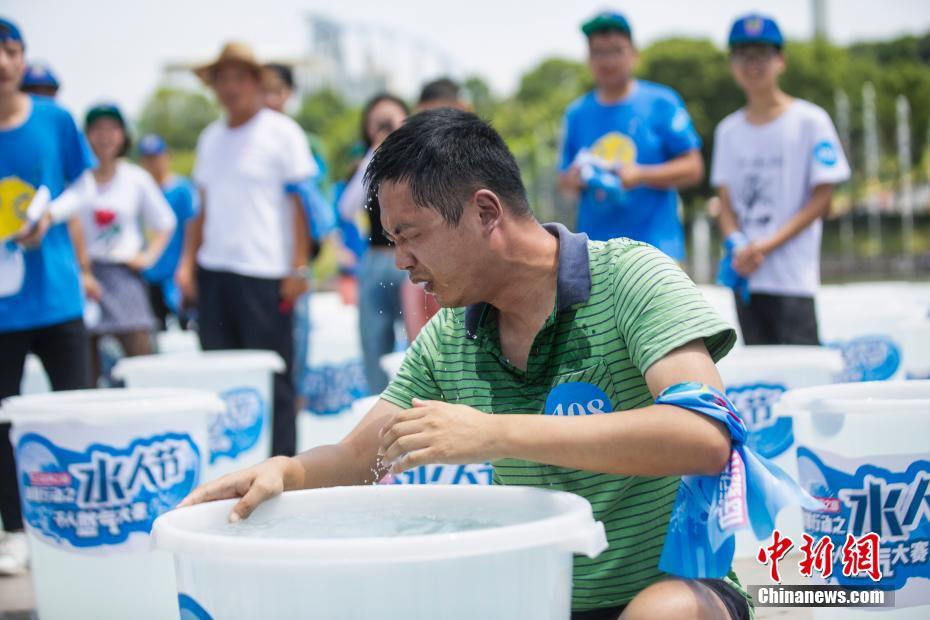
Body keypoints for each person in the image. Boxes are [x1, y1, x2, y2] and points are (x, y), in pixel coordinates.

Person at [181, 109, 754, 619]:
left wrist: (493, 433)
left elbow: (703, 435)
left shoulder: (631, 276)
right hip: (535, 597)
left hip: (676, 590)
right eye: (390, 240)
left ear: (484, 211)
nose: (401, 260)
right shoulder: (449, 336)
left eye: (410, 235)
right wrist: (287, 472)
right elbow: (361, 456)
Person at [177, 42, 317, 457]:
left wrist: (299, 268)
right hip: (215, 272)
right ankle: (230, 472)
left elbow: (299, 205)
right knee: (221, 377)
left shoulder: (282, 132)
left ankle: (284, 471)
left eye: (240, 77)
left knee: (275, 377)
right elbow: (200, 211)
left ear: (257, 83)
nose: (231, 87)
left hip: (265, 274)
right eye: (222, 79)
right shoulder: (209, 139)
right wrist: (186, 266)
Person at [0, 17, 96, 575]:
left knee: (75, 410)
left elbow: (83, 186)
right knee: (4, 420)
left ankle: (83, 513)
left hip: (57, 297)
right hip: (3, 309)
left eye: (12, 50)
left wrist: (48, 216)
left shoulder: (55, 120)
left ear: (22, 58)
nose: (3, 62)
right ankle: (14, 528)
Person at [712, 14, 850, 345]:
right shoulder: (728, 130)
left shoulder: (810, 121)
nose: (752, 64)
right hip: (747, 277)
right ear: (732, 65)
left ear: (780, 61)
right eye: (743, 56)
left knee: (801, 373)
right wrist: (737, 243)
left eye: (761, 55)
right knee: (764, 375)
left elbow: (822, 199)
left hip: (792, 278)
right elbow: (725, 204)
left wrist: (766, 245)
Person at [557, 11, 703, 260]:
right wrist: (577, 178)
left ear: (634, 54)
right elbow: (564, 184)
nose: (607, 61)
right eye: (598, 52)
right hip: (596, 256)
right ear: (588, 59)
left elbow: (693, 168)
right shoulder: (577, 113)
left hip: (655, 252)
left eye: (616, 50)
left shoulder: (662, 102)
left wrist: (641, 174)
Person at [79, 104, 176, 380]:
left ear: (123, 135)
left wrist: (148, 256)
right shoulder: (77, 178)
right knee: (86, 365)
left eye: (112, 129)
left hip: (123, 274)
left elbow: (164, 222)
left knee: (140, 356)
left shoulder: (135, 178)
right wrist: (82, 270)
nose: (105, 136)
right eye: (97, 129)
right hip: (86, 276)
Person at [261, 62, 337, 409]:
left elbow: (312, 205)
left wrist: (303, 261)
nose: (268, 98)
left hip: (297, 255)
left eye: (275, 90)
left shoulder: (304, 141)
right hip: (260, 259)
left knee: (297, 330)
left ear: (289, 95)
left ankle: (295, 394)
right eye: (262, 89)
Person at [337, 93, 409, 394]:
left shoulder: (420, 159)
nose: (387, 127)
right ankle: (378, 403)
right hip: (377, 258)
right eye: (378, 123)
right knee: (373, 339)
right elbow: (347, 207)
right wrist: (375, 154)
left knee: (421, 336)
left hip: (414, 259)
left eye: (393, 120)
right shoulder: (364, 164)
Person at [398, 77, 470, 342]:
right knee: (423, 343)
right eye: (423, 119)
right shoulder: (414, 162)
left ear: (463, 108)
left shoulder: (479, 157)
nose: (432, 127)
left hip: (466, 267)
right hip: (428, 267)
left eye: (441, 115)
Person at [138, 133, 198, 331]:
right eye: (147, 159)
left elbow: (192, 226)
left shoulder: (181, 189)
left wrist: (187, 266)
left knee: (186, 327)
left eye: (156, 157)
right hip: (150, 273)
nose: (153, 163)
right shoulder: (141, 191)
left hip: (176, 272)